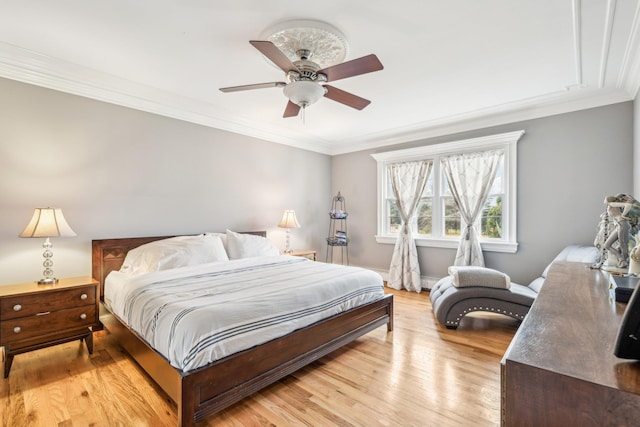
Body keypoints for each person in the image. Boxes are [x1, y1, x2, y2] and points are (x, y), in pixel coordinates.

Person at [603, 194, 640, 268]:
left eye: (605, 200)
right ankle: (621, 260)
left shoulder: (612, 204)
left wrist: (623, 215)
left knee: (623, 244)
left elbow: (628, 205)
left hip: (622, 224)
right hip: (618, 225)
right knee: (607, 245)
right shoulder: (611, 205)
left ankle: (625, 262)